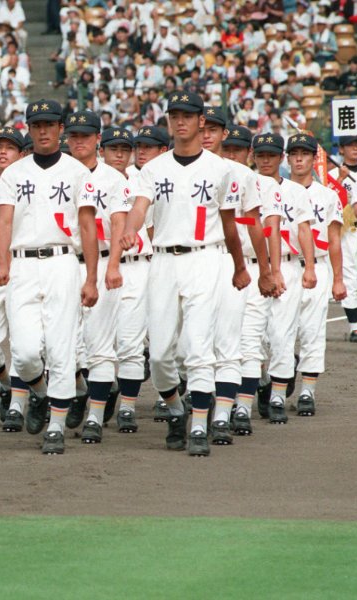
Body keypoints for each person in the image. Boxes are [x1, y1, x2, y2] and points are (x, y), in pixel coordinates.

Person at [119, 93, 249, 457]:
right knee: (160, 355)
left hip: (205, 258)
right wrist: (131, 229)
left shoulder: (220, 169)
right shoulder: (154, 169)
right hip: (163, 260)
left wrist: (239, 267)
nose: (180, 122)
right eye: (174, 115)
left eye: (187, 116)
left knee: (198, 345)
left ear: (201, 122)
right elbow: (139, 207)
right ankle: (177, 408)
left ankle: (198, 426)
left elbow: (229, 225)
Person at [0, 99, 99, 455]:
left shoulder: (77, 172)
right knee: (22, 352)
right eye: (36, 125)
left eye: (49, 124)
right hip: (21, 264)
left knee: (60, 346)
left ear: (60, 128)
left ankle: (55, 424)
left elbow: (86, 225)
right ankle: (39, 391)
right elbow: (4, 220)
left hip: (62, 261)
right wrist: (2, 262)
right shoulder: (14, 174)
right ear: (29, 129)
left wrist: (91, 277)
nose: (43, 130)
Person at [201, 108, 276, 445]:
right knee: (196, 340)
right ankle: (202, 403)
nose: (207, 135)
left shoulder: (240, 175)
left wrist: (266, 270)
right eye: (206, 128)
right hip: (196, 262)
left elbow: (255, 224)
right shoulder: (180, 167)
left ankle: (230, 410)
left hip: (238, 263)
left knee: (238, 340)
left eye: (216, 129)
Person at [65, 110, 126, 444]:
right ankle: (78, 390)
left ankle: (95, 415)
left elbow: (118, 223)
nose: (79, 141)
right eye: (74, 135)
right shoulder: (59, 173)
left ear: (96, 140)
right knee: (59, 343)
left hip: (101, 262)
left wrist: (114, 265)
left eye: (85, 136)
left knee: (100, 345)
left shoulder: (113, 179)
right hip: (62, 263)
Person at [221, 125, 284, 436]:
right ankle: (227, 401)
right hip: (220, 267)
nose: (232, 154)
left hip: (251, 266)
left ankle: (242, 407)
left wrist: (269, 270)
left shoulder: (262, 184)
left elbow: (269, 228)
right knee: (222, 341)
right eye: (227, 148)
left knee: (249, 340)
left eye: (238, 149)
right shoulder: (214, 179)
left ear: (249, 153)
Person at [252, 133, 315, 425]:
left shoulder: (295, 191)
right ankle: (265, 381)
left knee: (282, 333)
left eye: (271, 155)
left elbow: (304, 231)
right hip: (252, 266)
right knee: (254, 336)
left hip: (287, 266)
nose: (265, 160)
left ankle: (277, 395)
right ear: (253, 156)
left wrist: (310, 267)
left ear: (281, 158)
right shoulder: (246, 184)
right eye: (261, 155)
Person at [286, 134, 347, 416]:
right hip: (284, 266)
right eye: (294, 153)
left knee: (312, 331)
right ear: (287, 158)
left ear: (313, 159)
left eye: (304, 153)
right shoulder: (277, 191)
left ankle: (307, 390)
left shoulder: (328, 196)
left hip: (319, 266)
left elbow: (334, 239)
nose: (298, 158)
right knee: (273, 332)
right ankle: (278, 377)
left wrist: (337, 278)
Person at [102, 126, 153, 433]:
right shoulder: (88, 181)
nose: (119, 154)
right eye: (113, 148)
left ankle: (127, 407)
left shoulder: (142, 182)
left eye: (125, 149)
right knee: (95, 342)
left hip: (137, 265)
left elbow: (155, 227)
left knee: (131, 342)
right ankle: (102, 393)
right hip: (97, 265)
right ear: (102, 150)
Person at [0, 126, 29, 432]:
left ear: (22, 154)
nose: (3, 152)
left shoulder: (29, 184)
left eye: (10, 148)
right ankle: (6, 384)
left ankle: (18, 403)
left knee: (21, 342)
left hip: (22, 266)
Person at [331, 135, 357, 342]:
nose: (355, 149)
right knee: (349, 274)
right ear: (341, 149)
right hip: (347, 231)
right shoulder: (333, 173)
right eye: (350, 145)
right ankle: (355, 326)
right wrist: (340, 179)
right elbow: (326, 199)